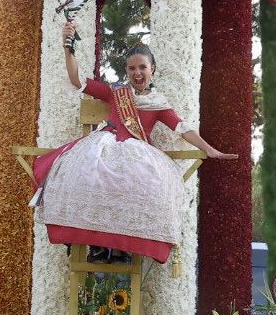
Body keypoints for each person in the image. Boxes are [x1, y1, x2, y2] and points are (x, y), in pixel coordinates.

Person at [31, 37, 235, 266]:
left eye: (142, 67)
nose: (137, 73)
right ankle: (95, 244)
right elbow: (77, 80)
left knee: (139, 185)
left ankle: (122, 249)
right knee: (86, 174)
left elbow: (182, 128)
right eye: (131, 68)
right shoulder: (116, 92)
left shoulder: (158, 103)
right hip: (104, 145)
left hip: (137, 152)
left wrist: (210, 150)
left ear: (152, 69)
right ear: (126, 70)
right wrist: (68, 50)